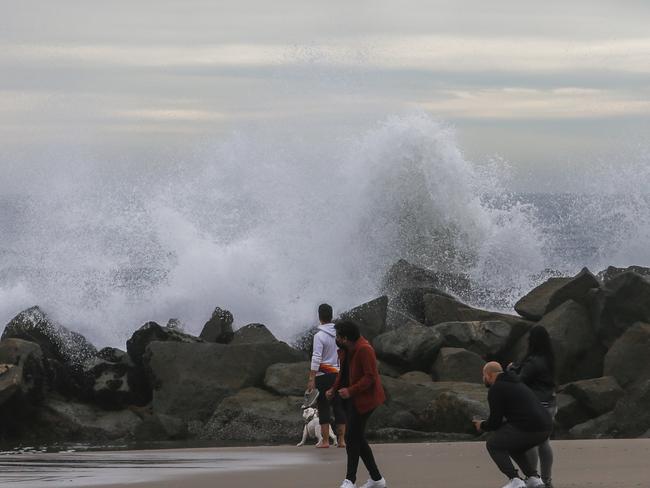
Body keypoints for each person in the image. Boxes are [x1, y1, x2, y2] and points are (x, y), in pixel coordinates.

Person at [326, 320, 387, 488]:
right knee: (357, 437)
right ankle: (376, 479)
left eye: (338, 336)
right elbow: (343, 373)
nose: (336, 339)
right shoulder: (347, 348)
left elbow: (370, 377)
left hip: (366, 400)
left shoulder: (364, 349)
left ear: (345, 338)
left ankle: (350, 480)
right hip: (354, 399)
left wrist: (350, 391)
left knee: (352, 437)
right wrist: (333, 389)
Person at [473, 361, 552, 488]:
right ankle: (533, 478)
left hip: (529, 427)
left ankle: (515, 480)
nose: (483, 379)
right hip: (546, 427)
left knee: (493, 444)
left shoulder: (496, 388)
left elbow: (495, 422)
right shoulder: (517, 383)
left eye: (484, 375)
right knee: (513, 445)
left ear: (489, 375)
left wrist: (482, 425)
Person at [508, 326, 557, 488]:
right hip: (550, 404)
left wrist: (510, 371)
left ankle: (533, 479)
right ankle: (547, 480)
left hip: (536, 406)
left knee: (531, 443)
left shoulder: (534, 360)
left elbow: (521, 380)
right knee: (544, 442)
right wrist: (517, 367)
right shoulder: (549, 359)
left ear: (533, 341)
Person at [307, 303, 346, 448]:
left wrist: (311, 378)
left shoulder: (319, 336)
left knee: (323, 406)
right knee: (339, 406)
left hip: (323, 375)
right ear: (332, 315)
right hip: (338, 374)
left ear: (319, 316)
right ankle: (341, 441)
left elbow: (316, 357)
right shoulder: (339, 334)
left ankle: (325, 441)